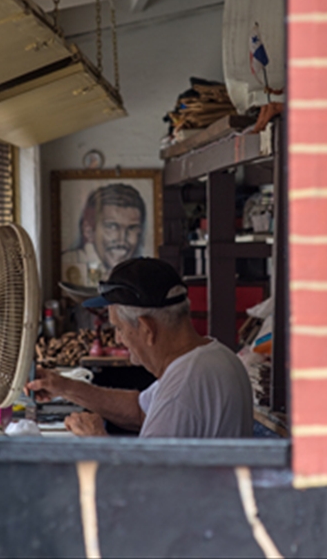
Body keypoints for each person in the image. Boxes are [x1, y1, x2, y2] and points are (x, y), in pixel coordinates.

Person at [26, 258, 254, 438]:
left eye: (119, 328)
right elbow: (140, 410)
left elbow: (145, 486)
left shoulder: (184, 386)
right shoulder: (215, 355)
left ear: (146, 328)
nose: (118, 338)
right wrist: (64, 386)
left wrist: (95, 440)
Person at [60, 183, 146, 287]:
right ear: (89, 231)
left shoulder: (140, 274)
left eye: (131, 228)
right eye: (112, 227)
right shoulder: (72, 262)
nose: (122, 239)